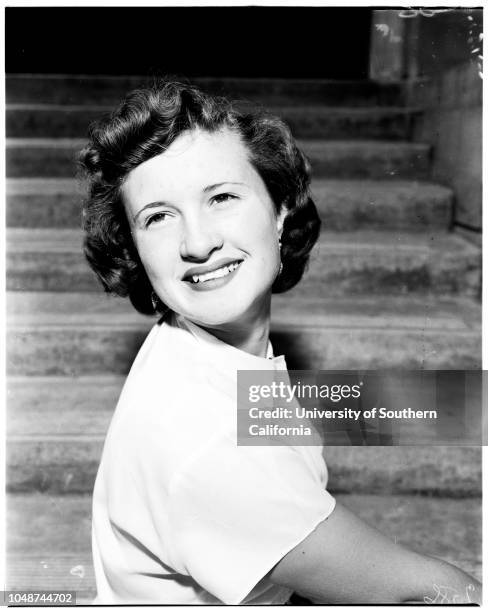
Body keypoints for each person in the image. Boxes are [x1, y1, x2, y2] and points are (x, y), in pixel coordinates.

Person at [80, 79, 481, 605]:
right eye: (157, 217)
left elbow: (275, 413)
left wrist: (460, 407)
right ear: (134, 247)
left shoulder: (190, 346)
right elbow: (431, 592)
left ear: (279, 212)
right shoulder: (210, 448)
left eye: (221, 197)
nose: (197, 244)